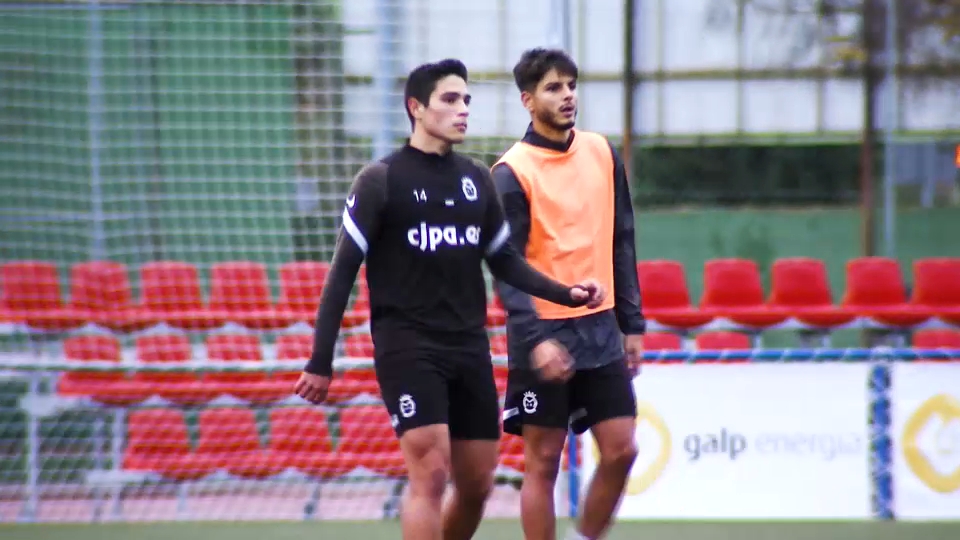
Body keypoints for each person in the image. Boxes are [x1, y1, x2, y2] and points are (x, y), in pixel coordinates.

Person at [293, 58, 606, 540]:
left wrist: (566, 292)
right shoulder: (380, 181)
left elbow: (506, 262)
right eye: (450, 99)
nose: (463, 110)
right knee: (431, 473)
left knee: (478, 483)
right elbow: (341, 277)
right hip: (408, 347)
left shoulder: (476, 178)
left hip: (468, 348)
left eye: (467, 101)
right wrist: (320, 360)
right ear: (416, 108)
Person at [492, 48, 646, 540]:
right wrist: (534, 338)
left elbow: (622, 237)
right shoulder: (511, 172)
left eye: (572, 85)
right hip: (543, 332)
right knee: (542, 463)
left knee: (622, 449)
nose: (567, 96)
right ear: (527, 99)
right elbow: (505, 266)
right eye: (554, 88)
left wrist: (632, 323)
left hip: (600, 327)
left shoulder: (602, 151)